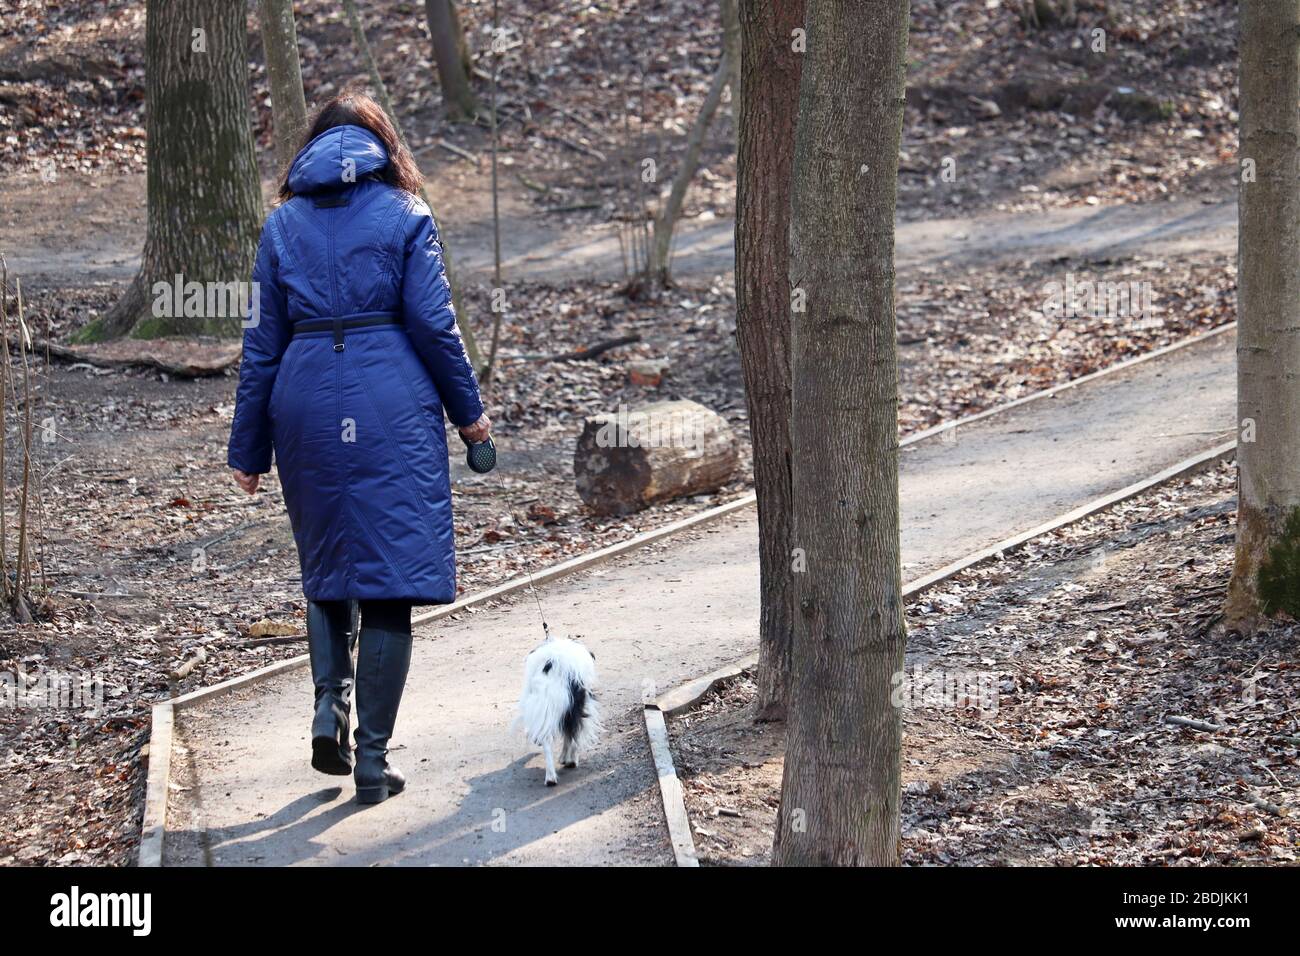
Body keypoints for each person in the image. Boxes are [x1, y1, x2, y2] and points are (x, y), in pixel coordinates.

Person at [226, 91, 490, 805]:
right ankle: (371, 762)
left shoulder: (282, 226)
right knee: (389, 583)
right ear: (383, 146)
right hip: (389, 407)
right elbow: (435, 326)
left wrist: (248, 450)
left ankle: (326, 711)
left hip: (304, 403)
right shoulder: (406, 215)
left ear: (313, 148)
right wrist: (471, 418)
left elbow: (261, 347)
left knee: (329, 570)